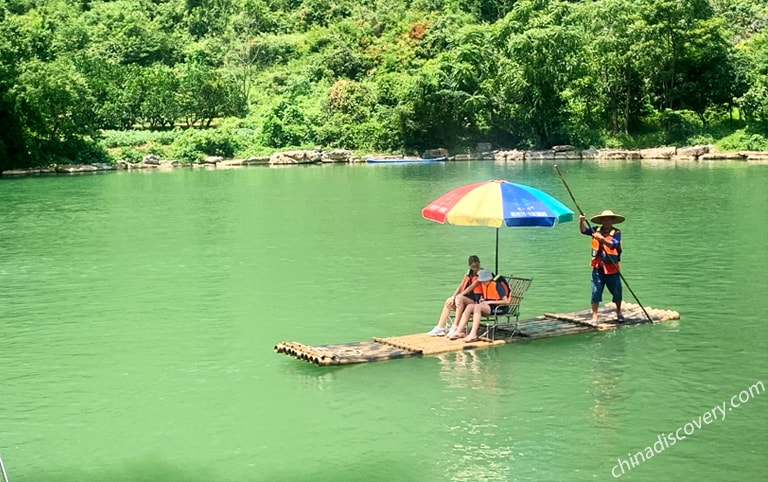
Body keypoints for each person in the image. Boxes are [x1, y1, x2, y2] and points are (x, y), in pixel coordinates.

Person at [580, 209, 624, 324]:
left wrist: (601, 239)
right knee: (595, 292)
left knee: (617, 292)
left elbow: (612, 244)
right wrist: (581, 221)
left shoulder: (617, 232)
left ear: (612, 221)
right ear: (601, 221)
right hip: (598, 268)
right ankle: (594, 316)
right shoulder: (596, 229)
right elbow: (584, 230)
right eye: (604, 219)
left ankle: (619, 312)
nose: (607, 221)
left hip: (612, 268)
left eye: (609, 219)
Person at [427, 255, 485, 337]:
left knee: (459, 298)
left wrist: (458, 296)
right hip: (465, 299)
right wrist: (453, 296)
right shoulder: (469, 273)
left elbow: (471, 287)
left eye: (477, 266)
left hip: (475, 301)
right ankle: (439, 328)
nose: (475, 268)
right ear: (470, 266)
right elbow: (461, 285)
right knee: (449, 301)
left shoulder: (482, 274)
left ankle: (455, 326)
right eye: (473, 266)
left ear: (479, 264)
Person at [448, 269, 511, 343]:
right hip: (489, 306)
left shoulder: (497, 285)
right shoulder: (484, 285)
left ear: (489, 279)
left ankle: (473, 334)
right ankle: (458, 331)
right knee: (470, 306)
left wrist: (489, 302)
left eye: (484, 281)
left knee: (477, 307)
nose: (483, 283)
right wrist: (483, 300)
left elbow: (505, 301)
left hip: (500, 308)